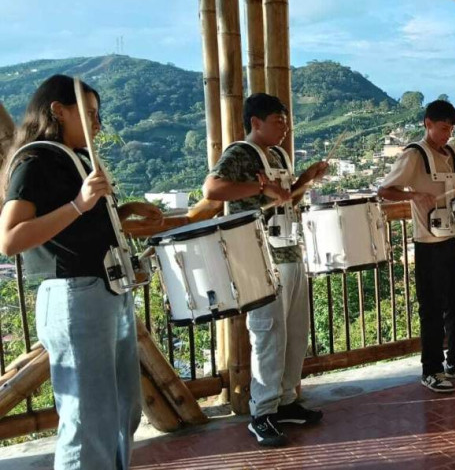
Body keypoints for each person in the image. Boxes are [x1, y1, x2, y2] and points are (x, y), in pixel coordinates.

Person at [0, 74, 164, 470]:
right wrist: (80, 202)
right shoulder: (35, 160)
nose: (97, 123)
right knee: (88, 418)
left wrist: (123, 212)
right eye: (89, 113)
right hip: (75, 294)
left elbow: (84, 224)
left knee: (124, 408)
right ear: (58, 111)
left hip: (107, 290)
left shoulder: (77, 160)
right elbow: (10, 238)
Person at [202, 93, 328, 447]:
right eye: (277, 122)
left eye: (285, 122)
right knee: (268, 334)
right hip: (257, 258)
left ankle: (286, 399)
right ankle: (262, 412)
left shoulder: (279, 156)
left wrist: (306, 177)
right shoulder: (240, 153)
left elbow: (286, 198)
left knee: (295, 332)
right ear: (255, 122)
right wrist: (260, 186)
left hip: (289, 251)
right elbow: (212, 189)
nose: (284, 129)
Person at [378, 100, 455, 393]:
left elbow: (454, 191)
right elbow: (384, 190)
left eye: (451, 128)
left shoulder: (453, 153)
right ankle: (432, 369)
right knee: (431, 309)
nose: (447, 134)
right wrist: (413, 196)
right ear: (427, 123)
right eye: (442, 128)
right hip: (429, 243)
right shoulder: (414, 155)